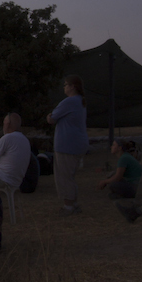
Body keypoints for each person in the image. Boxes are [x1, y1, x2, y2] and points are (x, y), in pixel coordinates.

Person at [47, 75, 90, 215]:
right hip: (78, 144)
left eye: (66, 84)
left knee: (64, 177)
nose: (64, 87)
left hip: (67, 145)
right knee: (70, 176)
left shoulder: (69, 102)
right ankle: (74, 203)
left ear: (72, 86)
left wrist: (49, 116)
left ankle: (68, 206)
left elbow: (52, 119)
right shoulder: (80, 102)